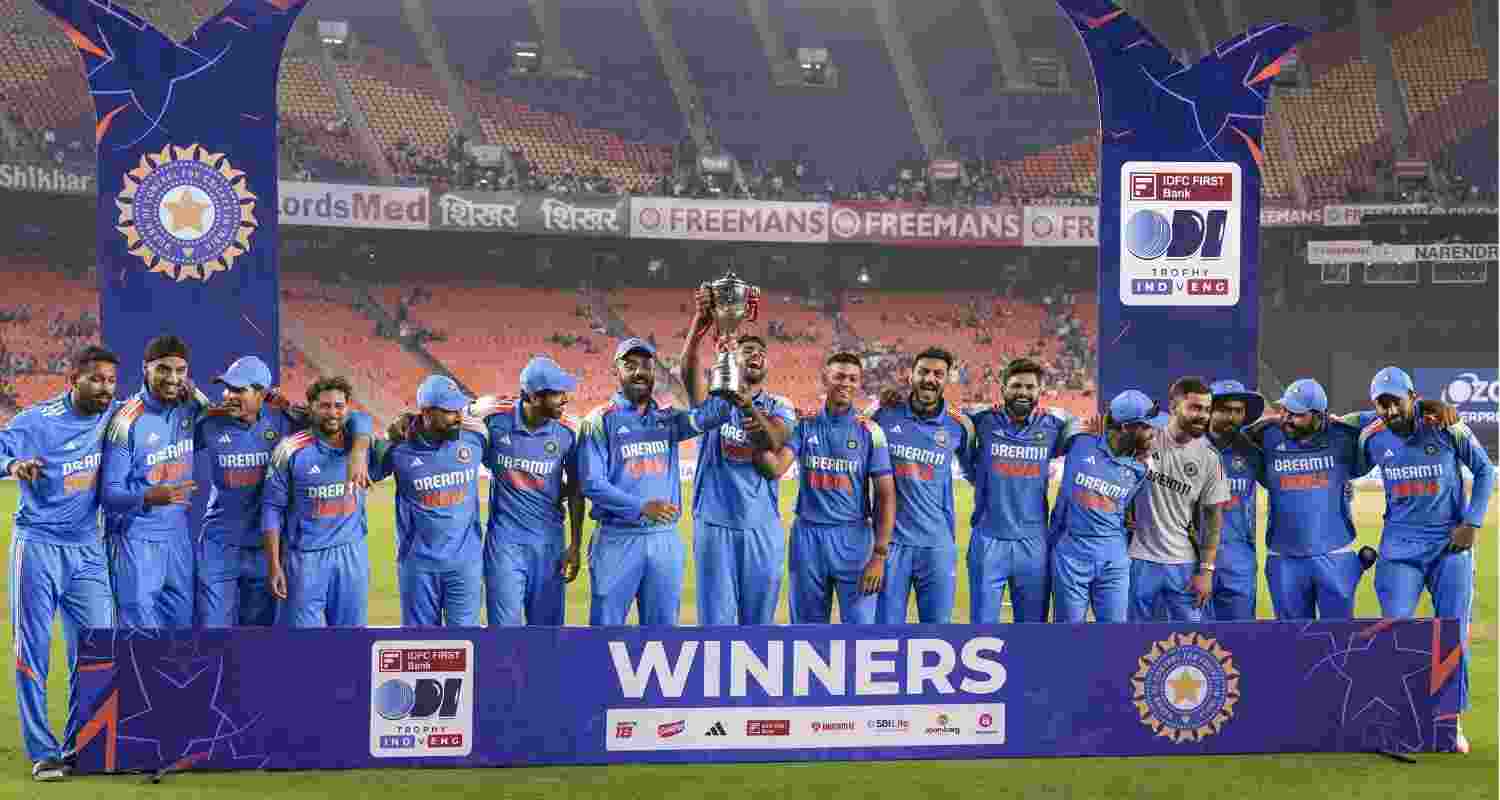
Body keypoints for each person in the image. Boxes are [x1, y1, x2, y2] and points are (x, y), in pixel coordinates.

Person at [1356, 366, 1493, 753]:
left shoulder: (1446, 424)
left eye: (1394, 402)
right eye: (1380, 405)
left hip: (1450, 546)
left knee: (1451, 634)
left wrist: (1473, 522)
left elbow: (1483, 470)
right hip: (1399, 549)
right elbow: (1341, 435)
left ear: (1412, 397)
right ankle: (1400, 718)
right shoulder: (1371, 433)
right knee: (1397, 633)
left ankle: (1450, 723)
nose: (1388, 411)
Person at [2, 346, 120, 782]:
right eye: (96, 380)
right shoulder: (36, 420)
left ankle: (77, 745)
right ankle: (43, 752)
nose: (105, 388)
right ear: (73, 380)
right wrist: (14, 463)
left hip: (88, 548)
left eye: (111, 380)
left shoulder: (116, 417)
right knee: (32, 650)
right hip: (38, 546)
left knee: (94, 650)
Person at [194, 355, 372, 627]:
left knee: (260, 631)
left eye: (239, 390)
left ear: (263, 394)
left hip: (266, 549)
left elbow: (353, 416)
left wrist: (359, 450)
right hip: (220, 542)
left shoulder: (286, 421)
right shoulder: (209, 424)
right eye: (227, 388)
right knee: (213, 627)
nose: (229, 395)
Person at [579, 338, 736, 626]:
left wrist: (726, 357)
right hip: (617, 538)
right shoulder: (599, 421)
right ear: (617, 371)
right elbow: (591, 483)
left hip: (665, 538)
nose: (639, 372)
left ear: (655, 372)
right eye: (630, 365)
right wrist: (641, 507)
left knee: (663, 636)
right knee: (604, 633)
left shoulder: (667, 420)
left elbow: (718, 413)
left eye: (646, 366)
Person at [680, 290, 795, 626]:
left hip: (762, 525)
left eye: (761, 352)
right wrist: (698, 326)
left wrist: (745, 403)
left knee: (758, 623)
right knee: (716, 624)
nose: (755, 356)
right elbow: (687, 372)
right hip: (715, 523)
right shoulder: (716, 401)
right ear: (734, 359)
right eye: (747, 351)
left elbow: (773, 440)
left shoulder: (780, 406)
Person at [756, 352, 896, 624]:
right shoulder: (804, 425)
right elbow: (775, 469)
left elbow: (885, 495)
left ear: (859, 384)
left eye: (853, 378)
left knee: (860, 632)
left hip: (854, 539)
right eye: (839, 376)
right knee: (807, 631)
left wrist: (879, 554)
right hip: (808, 538)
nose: (846, 383)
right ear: (825, 379)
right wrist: (756, 435)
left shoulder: (871, 431)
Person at [101, 335, 210, 630]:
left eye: (180, 370)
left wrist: (198, 395)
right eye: (163, 369)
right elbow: (109, 495)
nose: (172, 378)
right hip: (135, 537)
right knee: (140, 634)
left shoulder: (187, 410)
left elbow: (217, 424)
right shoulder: (126, 421)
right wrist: (149, 497)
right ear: (145, 369)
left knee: (181, 630)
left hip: (176, 535)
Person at [261, 376, 381, 628]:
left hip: (351, 554)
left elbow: (366, 421)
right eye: (324, 406)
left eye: (339, 406)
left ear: (347, 408)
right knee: (304, 645)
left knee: (352, 640)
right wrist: (274, 566)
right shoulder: (290, 450)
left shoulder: (361, 445)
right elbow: (272, 508)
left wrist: (359, 451)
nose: (333, 412)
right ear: (311, 407)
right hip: (305, 559)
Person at [1242, 379, 1367, 620]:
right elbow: (1228, 437)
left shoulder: (1343, 437)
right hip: (1283, 556)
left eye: (1296, 414)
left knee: (1339, 642)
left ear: (1319, 415)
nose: (1286, 418)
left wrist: (1353, 419)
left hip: (1335, 553)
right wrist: (1262, 422)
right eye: (1284, 410)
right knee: (1293, 644)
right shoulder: (1266, 435)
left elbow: (1383, 423)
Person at [963, 358, 1074, 623]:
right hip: (988, 538)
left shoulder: (1054, 425)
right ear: (1003, 389)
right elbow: (951, 419)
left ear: (1039, 392)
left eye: (1029, 387)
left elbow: (1083, 429)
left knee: (1032, 628)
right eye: (1016, 386)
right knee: (982, 627)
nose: (1023, 392)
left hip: (1033, 541)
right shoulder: (982, 419)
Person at [869, 347, 973, 624]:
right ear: (910, 375)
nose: (930, 379)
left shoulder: (959, 426)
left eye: (938, 374)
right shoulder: (883, 414)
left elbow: (977, 474)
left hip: (937, 545)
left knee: (937, 633)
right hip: (890, 544)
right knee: (886, 633)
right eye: (923, 371)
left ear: (948, 378)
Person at [479, 357, 585, 626]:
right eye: (557, 393)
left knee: (547, 635)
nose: (565, 399)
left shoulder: (568, 431)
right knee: (505, 634)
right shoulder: (492, 418)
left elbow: (575, 489)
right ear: (533, 396)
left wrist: (575, 544)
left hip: (549, 544)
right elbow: (455, 420)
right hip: (504, 543)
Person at [375, 376, 489, 626]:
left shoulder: (475, 437)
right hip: (418, 566)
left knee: (466, 643)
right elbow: (362, 471)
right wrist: (389, 433)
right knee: (420, 647)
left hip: (465, 565)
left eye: (459, 409)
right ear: (426, 412)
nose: (458, 417)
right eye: (449, 412)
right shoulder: (397, 449)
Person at [1049, 389, 1159, 623]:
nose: (1153, 432)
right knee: (1068, 634)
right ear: (1125, 427)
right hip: (1071, 553)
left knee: (1115, 634)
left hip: (1114, 558)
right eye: (1146, 426)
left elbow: (1125, 510)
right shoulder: (1081, 439)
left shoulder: (1140, 468)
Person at [1127, 377, 1231, 622]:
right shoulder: (1146, 440)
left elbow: (1214, 520)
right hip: (1138, 560)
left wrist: (1206, 571)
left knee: (1194, 639)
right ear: (1174, 407)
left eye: (1207, 409)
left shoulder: (1210, 459)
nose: (1203, 416)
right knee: (1130, 640)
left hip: (1183, 563)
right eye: (1195, 408)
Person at [1203, 379, 1265, 621]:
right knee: (1196, 641)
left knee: (1240, 642)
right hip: (1194, 560)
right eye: (1225, 410)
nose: (1232, 416)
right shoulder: (1185, 449)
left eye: (1238, 411)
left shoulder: (1252, 452)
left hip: (1239, 561)